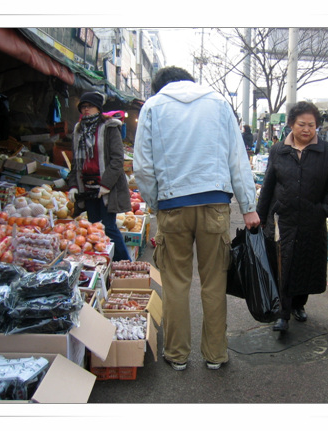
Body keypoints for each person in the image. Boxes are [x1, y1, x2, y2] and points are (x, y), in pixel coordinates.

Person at [133, 66, 260, 371]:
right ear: (190, 81)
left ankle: (177, 355)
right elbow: (236, 159)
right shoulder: (217, 103)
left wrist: (154, 202)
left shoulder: (153, 107)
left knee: (176, 283)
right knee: (214, 282)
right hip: (215, 204)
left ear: (158, 86)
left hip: (172, 206)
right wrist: (248, 206)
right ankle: (215, 355)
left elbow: (143, 166)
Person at [256, 101, 328, 332]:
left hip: (312, 218)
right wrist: (261, 215)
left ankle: (298, 304)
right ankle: (282, 313)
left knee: (305, 262)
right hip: (282, 218)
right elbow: (268, 185)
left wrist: (324, 210)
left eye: (311, 125)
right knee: (283, 263)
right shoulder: (278, 150)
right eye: (301, 124)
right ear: (291, 125)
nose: (306, 129)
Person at [66, 91, 132, 262]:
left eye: (90, 106)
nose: (86, 110)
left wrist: (106, 184)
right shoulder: (78, 130)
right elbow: (75, 161)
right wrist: (73, 185)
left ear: (98, 108)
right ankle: (104, 266)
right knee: (94, 229)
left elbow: (117, 159)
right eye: (83, 107)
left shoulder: (110, 127)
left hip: (106, 188)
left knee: (109, 227)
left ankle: (124, 263)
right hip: (87, 187)